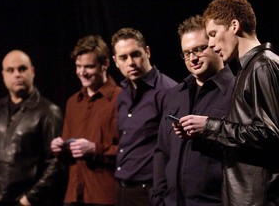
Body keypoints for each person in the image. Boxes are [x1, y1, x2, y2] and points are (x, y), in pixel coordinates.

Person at [177, 0, 279, 205]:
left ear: (234, 25)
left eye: (213, 34)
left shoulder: (262, 65)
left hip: (257, 198)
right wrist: (201, 133)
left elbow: (269, 134)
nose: (211, 45)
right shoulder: (248, 68)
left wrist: (209, 126)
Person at [151, 15, 235, 206]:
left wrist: (209, 129)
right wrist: (159, 197)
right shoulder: (173, 94)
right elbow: (162, 151)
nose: (193, 58)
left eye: (199, 49)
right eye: (186, 53)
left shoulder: (236, 90)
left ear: (214, 44)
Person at [51, 35, 121, 206]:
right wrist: (60, 148)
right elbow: (69, 156)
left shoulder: (121, 98)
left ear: (105, 65)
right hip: (74, 196)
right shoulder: (73, 102)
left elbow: (132, 153)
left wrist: (95, 149)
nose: (81, 72)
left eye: (89, 67)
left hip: (105, 197)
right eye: (78, 66)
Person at [111, 27, 177, 206]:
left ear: (147, 52)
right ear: (115, 61)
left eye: (136, 54)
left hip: (149, 190)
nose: (130, 62)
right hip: (122, 189)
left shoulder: (168, 91)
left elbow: (175, 148)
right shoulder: (123, 93)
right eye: (123, 58)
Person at [0, 50, 65, 206]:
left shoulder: (49, 112)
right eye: (11, 70)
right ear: (3, 75)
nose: (17, 74)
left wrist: (29, 199)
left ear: (32, 72)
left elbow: (57, 162)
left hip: (29, 202)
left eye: (22, 69)